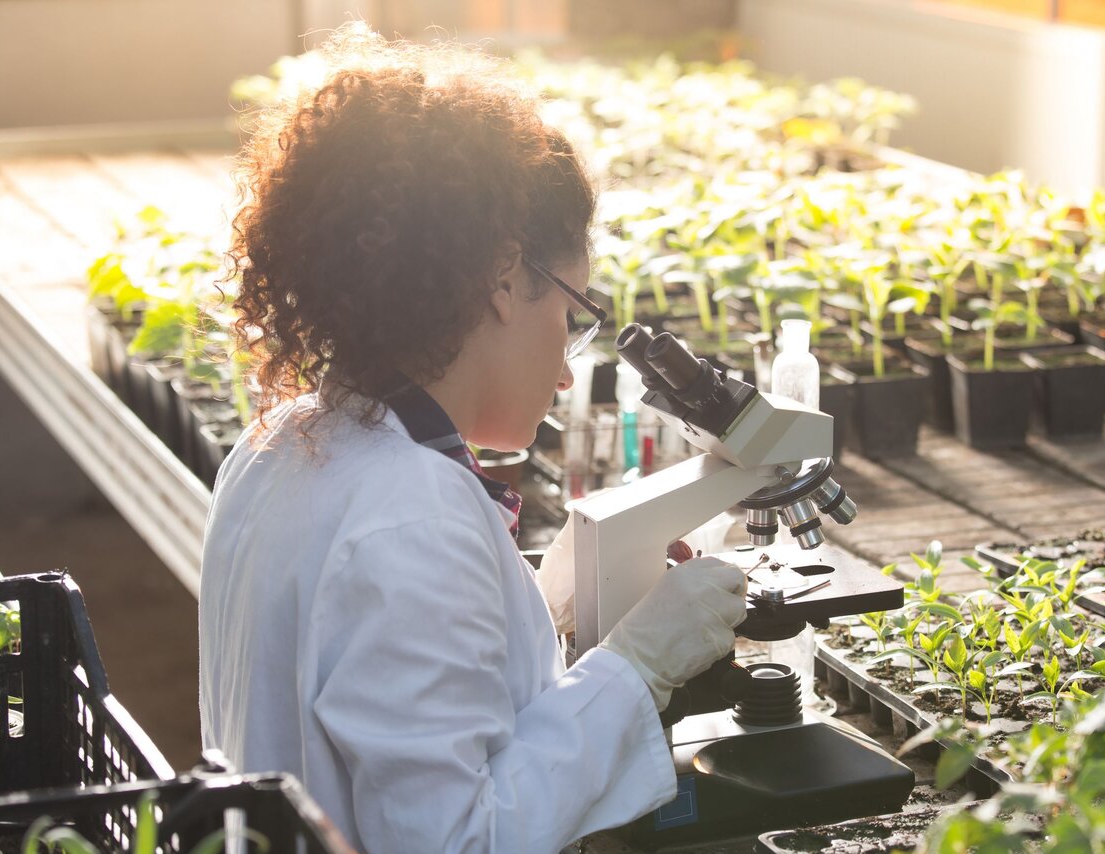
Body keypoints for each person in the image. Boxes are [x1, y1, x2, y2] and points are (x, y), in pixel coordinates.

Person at [199, 26, 748, 854]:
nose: (565, 373)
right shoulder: (413, 518)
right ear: (503, 279)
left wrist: (541, 600)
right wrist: (639, 667)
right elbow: (458, 839)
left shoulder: (282, 442)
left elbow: (392, 685)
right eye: (572, 315)